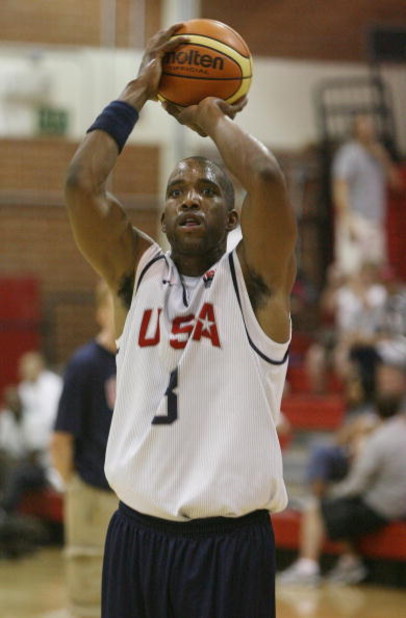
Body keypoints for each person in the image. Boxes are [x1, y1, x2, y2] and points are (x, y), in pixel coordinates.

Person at [64, 23, 297, 618]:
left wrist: (210, 118)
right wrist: (138, 91)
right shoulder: (135, 274)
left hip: (229, 546)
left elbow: (268, 179)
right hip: (136, 537)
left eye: (207, 190)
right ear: (163, 213)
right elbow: (80, 184)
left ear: (233, 213)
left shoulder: (257, 283)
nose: (190, 197)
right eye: (177, 190)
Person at [277, 392, 406, 586]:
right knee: (336, 508)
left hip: (383, 508)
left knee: (317, 507)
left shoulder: (380, 439)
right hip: (396, 505)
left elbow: (356, 485)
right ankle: (350, 562)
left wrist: (331, 494)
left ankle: (307, 568)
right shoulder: (398, 434)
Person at [51, 280, 118, 618]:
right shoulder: (84, 365)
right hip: (92, 490)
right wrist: (73, 486)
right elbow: (61, 438)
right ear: (101, 312)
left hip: (136, 496)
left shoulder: (149, 361)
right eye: (117, 304)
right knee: (88, 595)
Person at [332, 114, 402, 275]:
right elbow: (340, 187)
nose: (369, 129)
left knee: (376, 270)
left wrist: (383, 158)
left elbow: (396, 184)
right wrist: (346, 218)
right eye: (364, 125)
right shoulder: (349, 154)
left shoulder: (377, 153)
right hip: (356, 218)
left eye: (370, 125)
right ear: (356, 129)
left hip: (376, 220)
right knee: (352, 270)